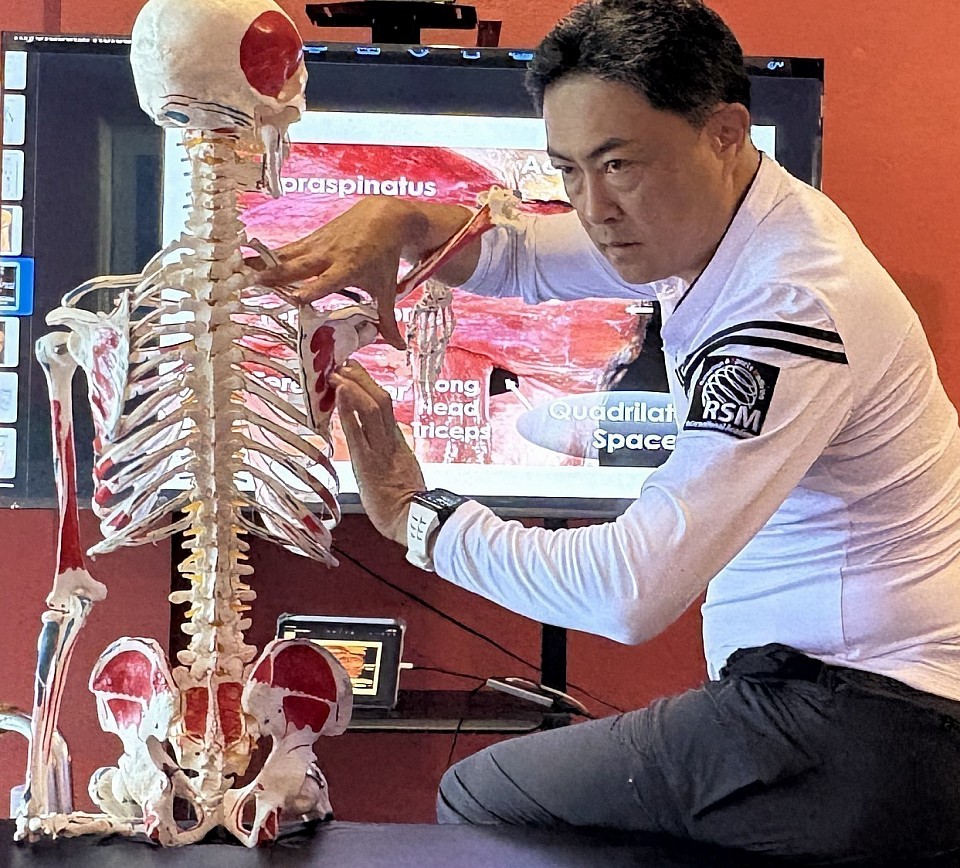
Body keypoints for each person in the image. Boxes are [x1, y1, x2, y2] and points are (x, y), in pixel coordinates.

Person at [255, 0, 960, 861]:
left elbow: (628, 592)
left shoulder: (788, 305)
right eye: (569, 169)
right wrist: (400, 220)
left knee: (483, 794)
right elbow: (523, 255)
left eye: (619, 164)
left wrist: (417, 517)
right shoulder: (725, 221)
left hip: (865, 722)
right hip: (848, 706)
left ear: (726, 133)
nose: (594, 207)